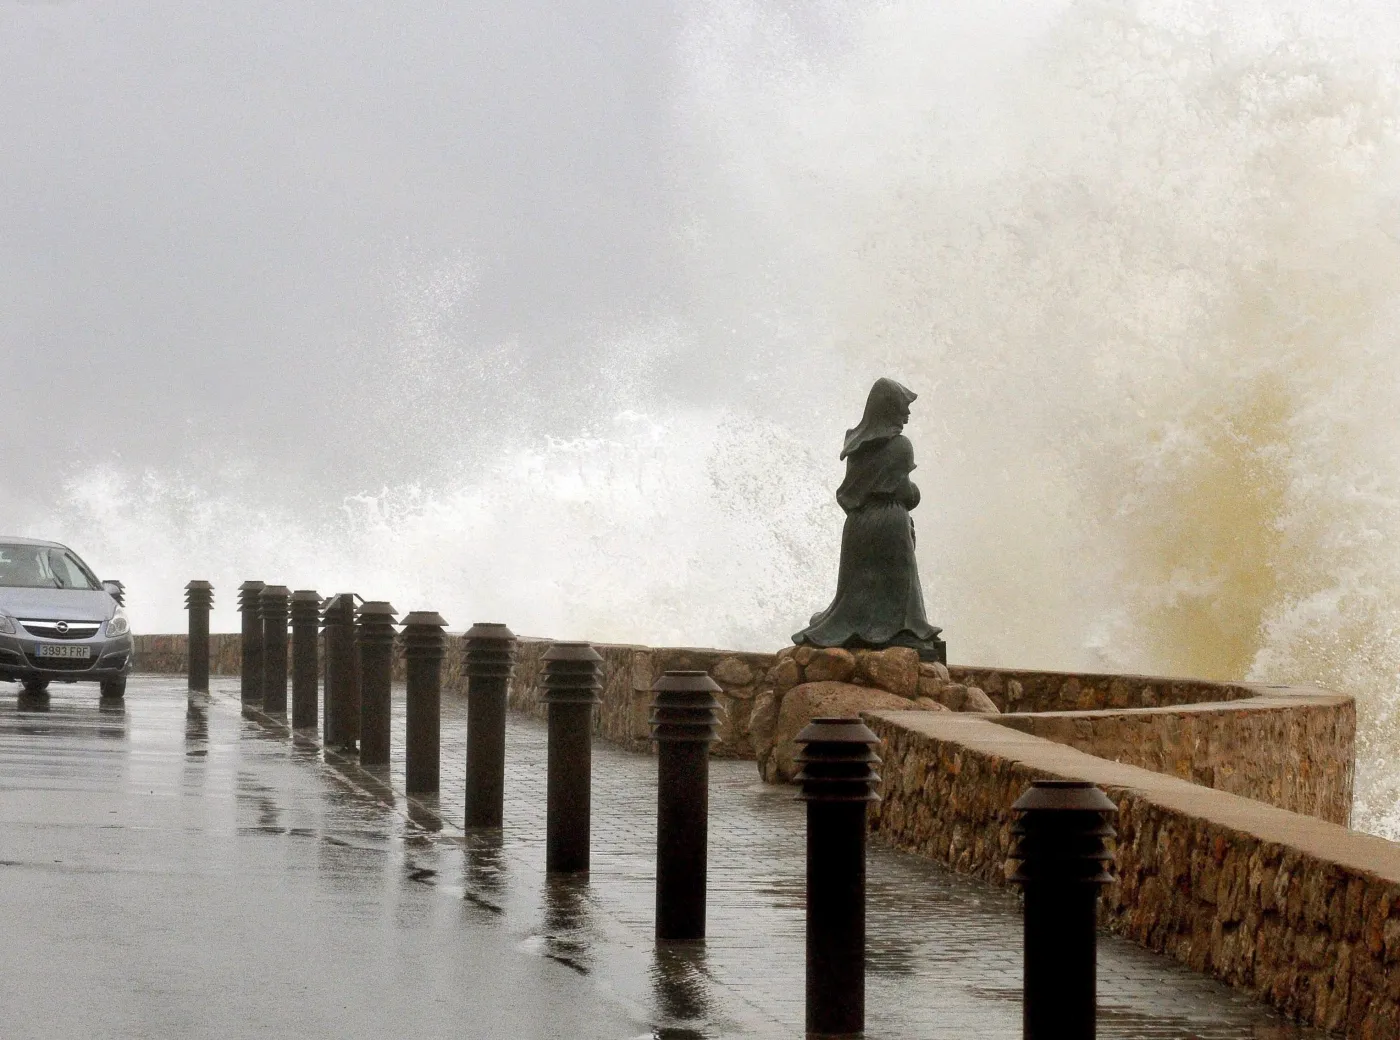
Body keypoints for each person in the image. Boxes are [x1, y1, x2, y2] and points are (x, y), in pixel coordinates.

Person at [793, 377, 943, 658]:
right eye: (903, 407)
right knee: (899, 588)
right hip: (889, 522)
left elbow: (856, 489)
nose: (908, 415)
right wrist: (915, 493)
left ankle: (849, 625)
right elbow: (901, 490)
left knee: (857, 588)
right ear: (889, 408)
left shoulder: (857, 446)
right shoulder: (900, 446)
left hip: (859, 525)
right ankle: (901, 632)